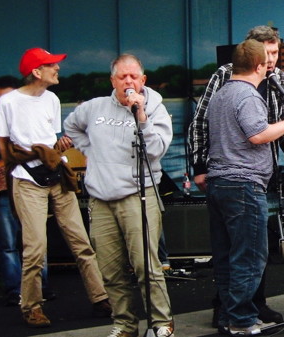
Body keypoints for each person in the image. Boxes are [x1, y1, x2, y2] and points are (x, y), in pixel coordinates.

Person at [0, 47, 111, 328]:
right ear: (36, 72)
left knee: (81, 242)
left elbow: (50, 138)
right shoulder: (8, 102)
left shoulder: (53, 99)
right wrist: (28, 160)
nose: (57, 69)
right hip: (27, 180)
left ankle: (100, 298)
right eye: (51, 65)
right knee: (35, 248)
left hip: (57, 175)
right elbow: (4, 145)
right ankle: (31, 307)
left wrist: (57, 148)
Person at [188, 25, 284, 326]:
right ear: (256, 59)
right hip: (243, 180)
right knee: (249, 253)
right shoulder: (235, 86)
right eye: (267, 54)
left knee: (232, 253)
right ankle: (240, 317)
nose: (272, 60)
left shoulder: (240, 89)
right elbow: (258, 134)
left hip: (231, 179)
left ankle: (237, 313)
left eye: (276, 53)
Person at [64, 54, 175, 337]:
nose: (128, 82)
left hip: (138, 194)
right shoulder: (94, 108)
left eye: (133, 76)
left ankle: (162, 324)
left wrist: (142, 117)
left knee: (145, 265)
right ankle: (124, 324)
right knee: (110, 269)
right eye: (122, 77)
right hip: (101, 199)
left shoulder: (156, 108)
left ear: (143, 80)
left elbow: (156, 150)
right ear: (112, 80)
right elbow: (71, 127)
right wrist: (90, 150)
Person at [0, 76, 56, 306]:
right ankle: (15, 290)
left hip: (30, 184)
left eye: (7, 98)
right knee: (8, 242)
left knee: (35, 240)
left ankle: (40, 287)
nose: (3, 103)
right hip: (0, 190)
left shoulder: (31, 116)